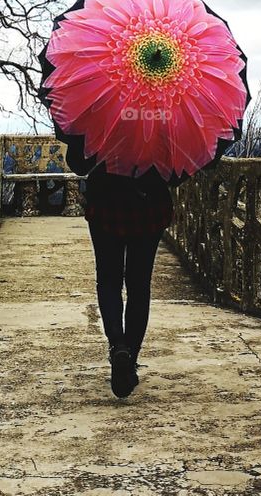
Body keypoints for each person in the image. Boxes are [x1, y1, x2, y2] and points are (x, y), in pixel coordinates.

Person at [82, 162, 174, 399]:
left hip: (105, 204)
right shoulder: (161, 125)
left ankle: (118, 345)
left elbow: (78, 163)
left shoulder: (101, 125)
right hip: (149, 206)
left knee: (109, 279)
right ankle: (130, 358)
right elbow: (175, 175)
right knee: (139, 284)